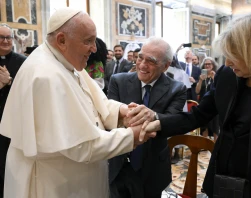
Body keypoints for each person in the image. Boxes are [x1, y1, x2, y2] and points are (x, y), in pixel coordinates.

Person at [138, 13, 251, 198]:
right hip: (223, 178)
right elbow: (198, 115)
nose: (227, 63)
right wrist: (159, 122)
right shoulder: (228, 75)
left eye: (234, 56)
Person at [0, 8, 155, 198]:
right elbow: (79, 146)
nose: (95, 48)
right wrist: (131, 136)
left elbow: (97, 102)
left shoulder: (66, 60)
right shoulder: (45, 76)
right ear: (62, 40)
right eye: (88, 41)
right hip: (55, 183)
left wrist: (123, 111)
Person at [108, 37, 187, 198]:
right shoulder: (118, 81)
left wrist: (146, 118)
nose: (142, 65)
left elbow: (170, 122)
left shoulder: (177, 89)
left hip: (153, 166)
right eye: (140, 57)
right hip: (119, 163)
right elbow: (110, 118)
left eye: (151, 61)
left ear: (165, 66)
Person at [0, 23, 26, 198]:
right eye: (1, 37)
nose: (5, 41)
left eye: (8, 37)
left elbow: (28, 90)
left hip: (14, 125)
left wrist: (9, 82)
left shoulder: (23, 62)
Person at [195, 57, 219, 141]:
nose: (207, 65)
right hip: (203, 103)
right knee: (204, 126)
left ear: (213, 65)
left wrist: (214, 78)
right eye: (206, 64)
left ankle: (215, 147)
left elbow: (219, 90)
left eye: (209, 64)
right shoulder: (202, 76)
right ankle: (205, 146)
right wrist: (200, 80)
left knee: (215, 126)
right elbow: (197, 91)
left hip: (214, 104)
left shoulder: (216, 75)